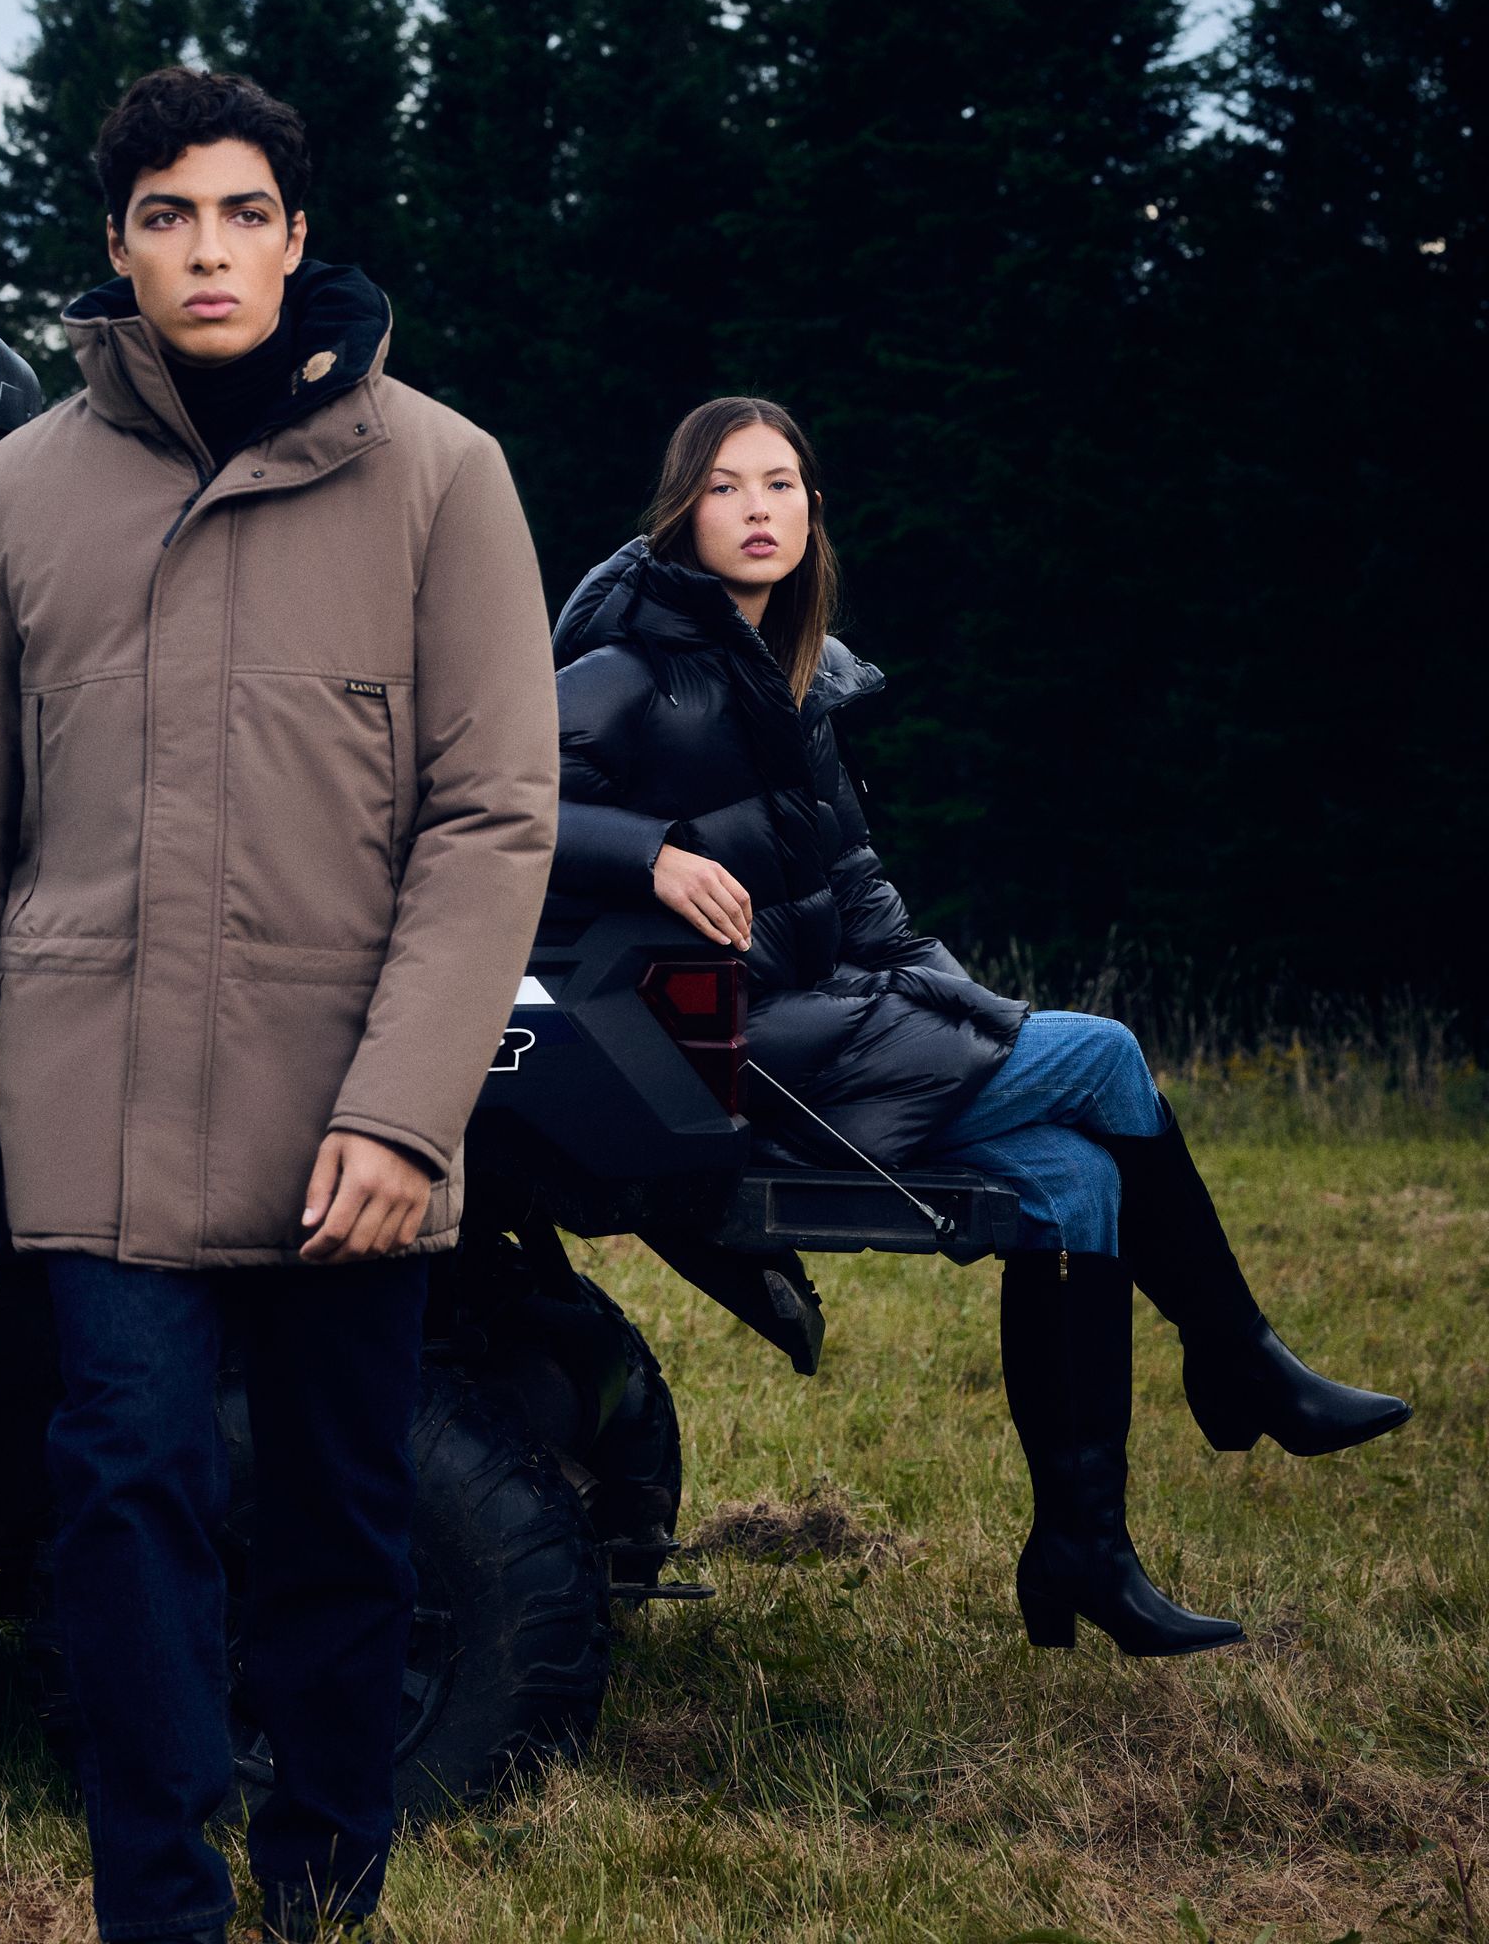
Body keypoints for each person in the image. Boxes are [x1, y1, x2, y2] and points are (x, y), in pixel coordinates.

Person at [0, 67, 559, 1944]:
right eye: (167, 216)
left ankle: (324, 1888)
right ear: (115, 248)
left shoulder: (444, 474)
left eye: (242, 212)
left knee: (341, 1521)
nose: (207, 249)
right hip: (90, 1107)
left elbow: (496, 812)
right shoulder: (17, 494)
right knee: (121, 1511)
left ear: (297, 237)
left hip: (355, 1113)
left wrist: (407, 1111)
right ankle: (156, 1911)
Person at [550, 393, 1410, 1658]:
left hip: (828, 1007)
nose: (757, 510)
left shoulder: (797, 672)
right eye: (727, 487)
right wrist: (654, 853)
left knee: (1070, 1182)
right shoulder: (627, 665)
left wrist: (952, 998)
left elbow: (863, 894)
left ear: (811, 510)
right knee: (1107, 1052)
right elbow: (491, 796)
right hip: (725, 1044)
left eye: (781, 484)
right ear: (681, 511)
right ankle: (1242, 1362)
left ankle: (1080, 1548)